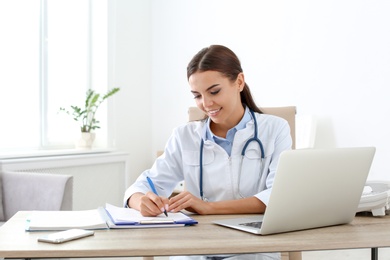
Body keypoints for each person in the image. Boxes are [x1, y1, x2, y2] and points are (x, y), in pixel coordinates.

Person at [124, 45, 292, 260]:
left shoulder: (275, 129)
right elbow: (143, 185)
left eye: (214, 91)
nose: (206, 103)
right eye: (197, 95)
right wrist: (140, 201)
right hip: (195, 248)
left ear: (239, 82)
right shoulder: (184, 136)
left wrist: (208, 207)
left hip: (253, 248)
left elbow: (276, 198)